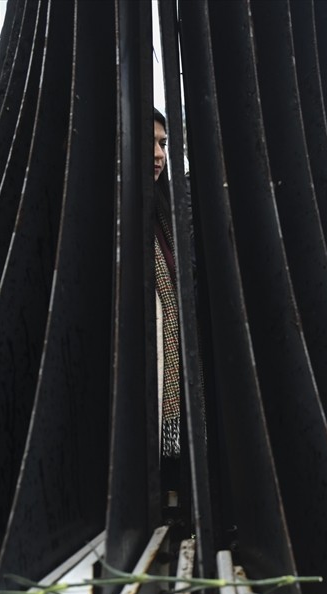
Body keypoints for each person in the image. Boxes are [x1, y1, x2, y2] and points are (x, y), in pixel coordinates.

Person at [152, 109, 186, 519]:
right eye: (149, 142)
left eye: (163, 143)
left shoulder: (168, 212)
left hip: (169, 371)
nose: (158, 154)